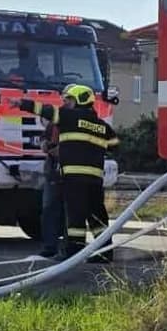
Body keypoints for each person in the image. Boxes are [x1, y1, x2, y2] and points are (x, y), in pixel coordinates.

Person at [56, 83, 117, 262]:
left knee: (75, 216)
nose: (65, 104)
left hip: (74, 177)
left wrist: (22, 104)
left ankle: (74, 253)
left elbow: (45, 111)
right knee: (97, 216)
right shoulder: (101, 125)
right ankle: (105, 252)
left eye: (68, 100)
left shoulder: (68, 117)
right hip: (95, 179)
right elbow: (115, 145)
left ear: (79, 100)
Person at [37, 100, 66, 259]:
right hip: (52, 173)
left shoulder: (78, 123)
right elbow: (42, 140)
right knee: (49, 210)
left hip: (70, 174)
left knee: (69, 213)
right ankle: (49, 246)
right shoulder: (53, 125)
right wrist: (48, 146)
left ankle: (70, 248)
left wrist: (63, 150)